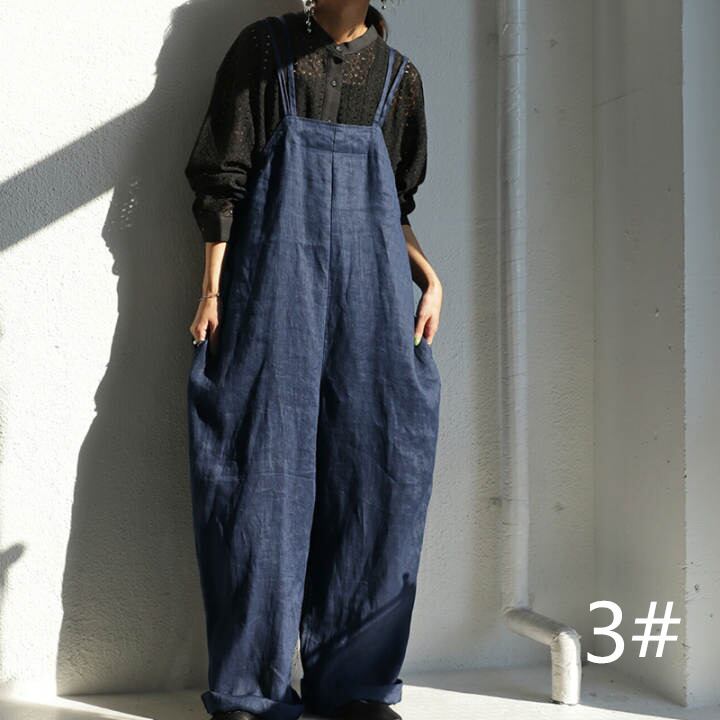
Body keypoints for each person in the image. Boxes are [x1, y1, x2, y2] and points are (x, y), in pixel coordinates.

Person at [184, 3, 442, 719]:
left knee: (376, 473)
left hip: (373, 291)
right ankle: (250, 691)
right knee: (258, 476)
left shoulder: (399, 78)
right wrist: (211, 291)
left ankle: (355, 686)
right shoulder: (263, 51)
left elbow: (396, 204)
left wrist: (430, 276)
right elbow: (223, 182)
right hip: (273, 284)